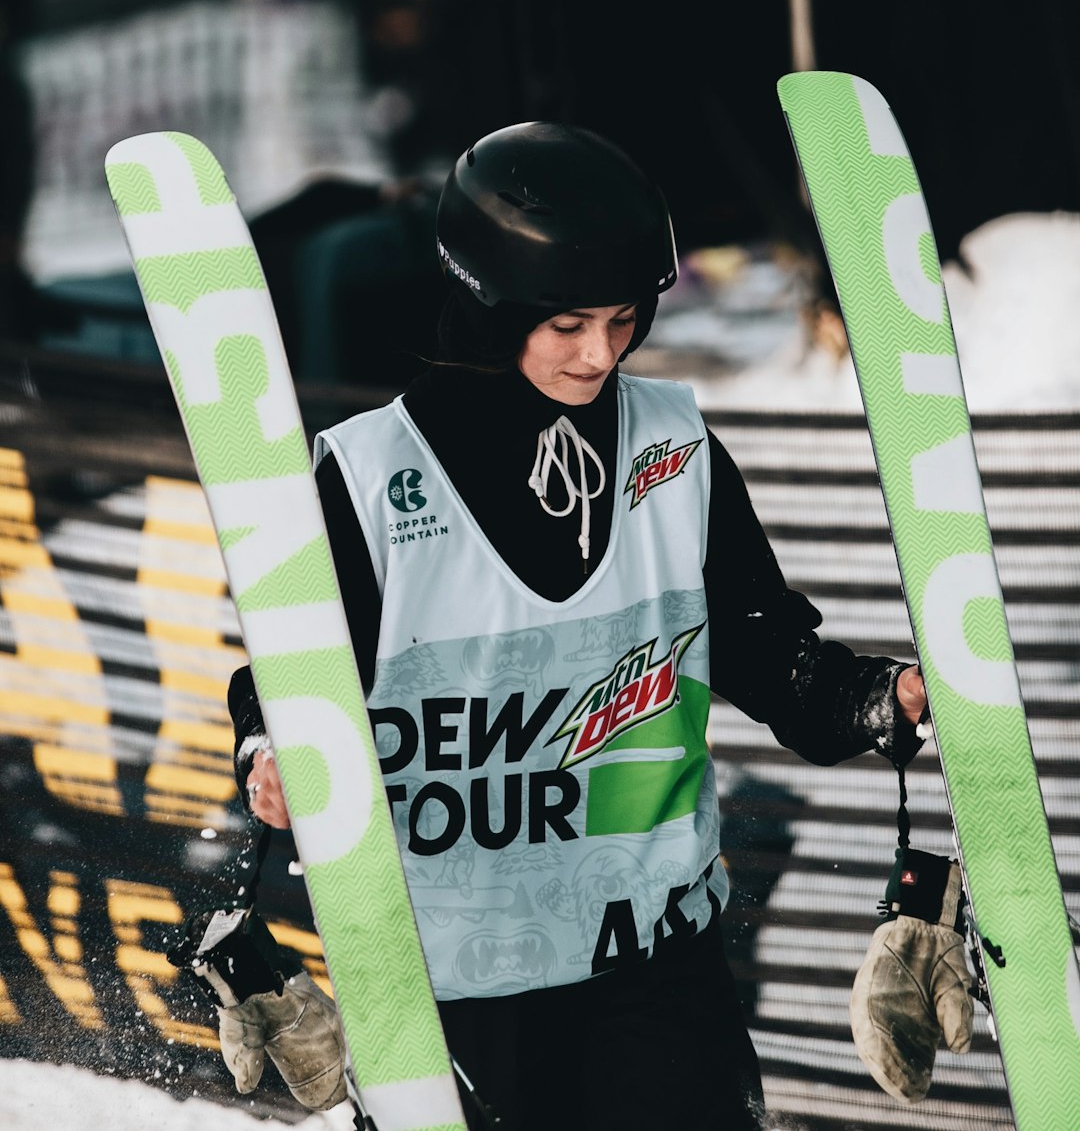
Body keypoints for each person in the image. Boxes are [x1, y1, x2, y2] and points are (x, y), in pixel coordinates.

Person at [227, 121, 928, 1131]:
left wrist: (871, 696)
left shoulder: (674, 448)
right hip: (456, 987)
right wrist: (271, 750)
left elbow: (766, 647)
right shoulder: (373, 476)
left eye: (622, 318)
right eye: (565, 324)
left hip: (656, 972)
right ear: (487, 301)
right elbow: (282, 674)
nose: (599, 352)